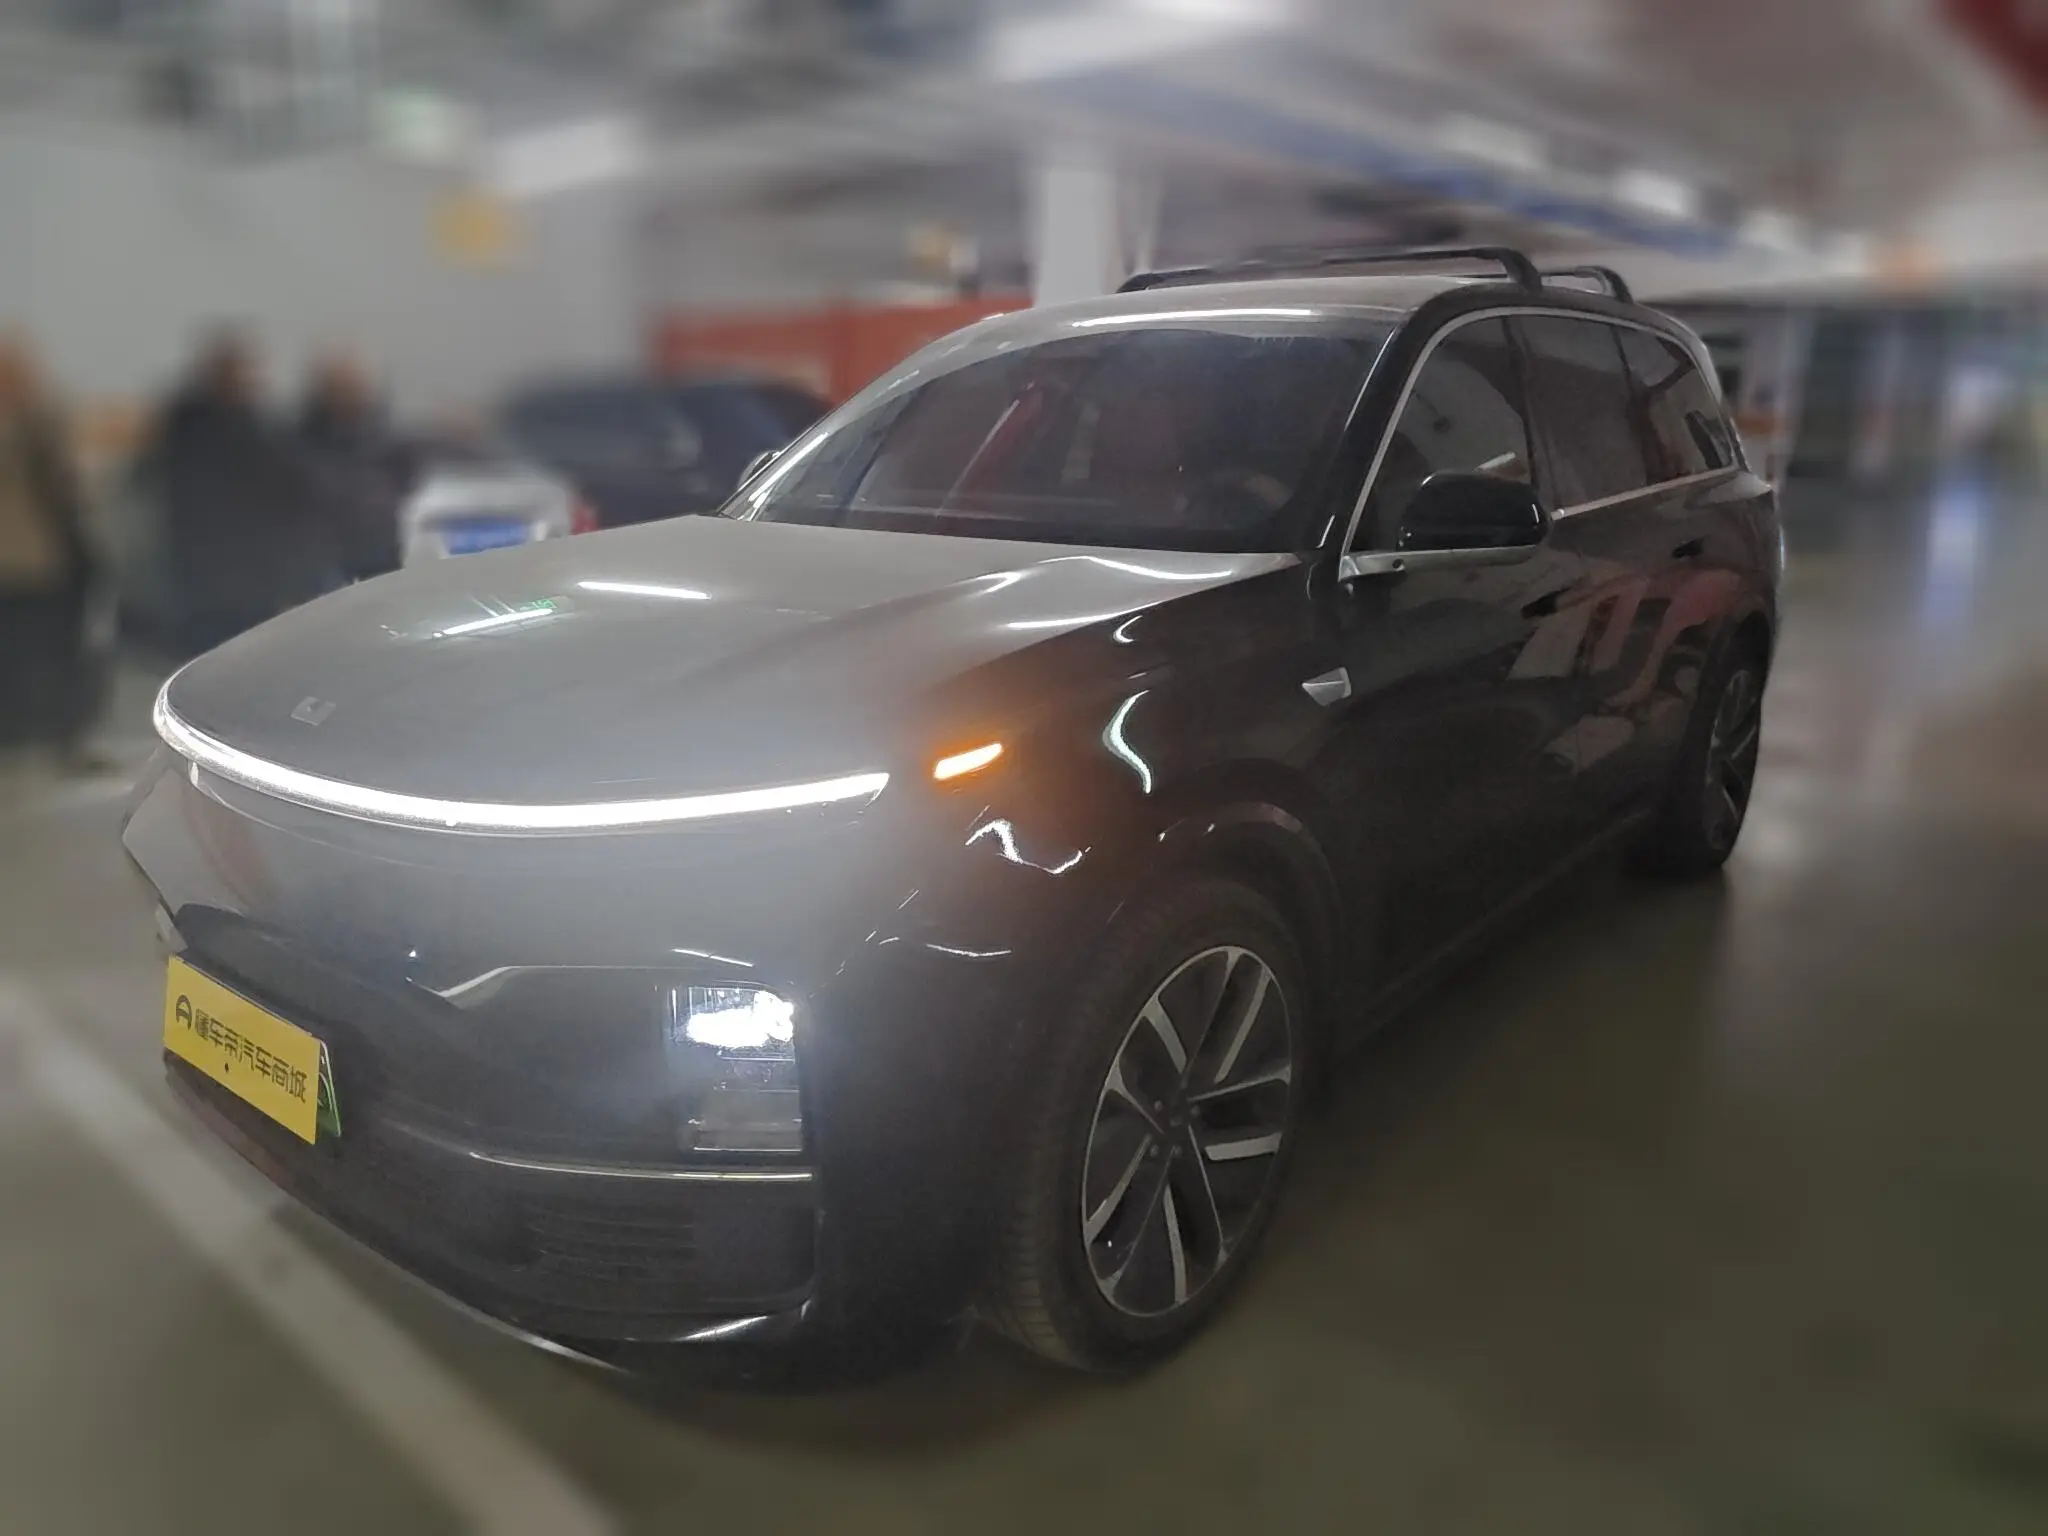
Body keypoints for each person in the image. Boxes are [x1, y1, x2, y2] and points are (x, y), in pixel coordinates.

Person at [142, 331, 338, 651]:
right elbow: (298, 484)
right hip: (233, 578)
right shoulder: (236, 431)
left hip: (220, 575)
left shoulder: (197, 427)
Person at [0, 334, 105, 769]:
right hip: (35, 561)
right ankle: (51, 738)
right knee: (50, 652)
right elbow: (65, 484)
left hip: (28, 562)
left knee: (19, 655)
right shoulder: (33, 422)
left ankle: (23, 737)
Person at [297, 350, 402, 579]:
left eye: (355, 389)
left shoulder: (385, 446)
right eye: (342, 389)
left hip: (381, 562)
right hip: (322, 566)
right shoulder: (300, 450)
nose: (350, 398)